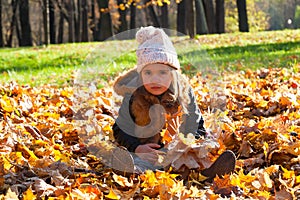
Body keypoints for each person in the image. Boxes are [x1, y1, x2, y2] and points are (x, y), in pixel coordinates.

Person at [111, 26, 236, 180]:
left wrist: (184, 145)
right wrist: (137, 147)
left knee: (200, 151)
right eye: (148, 73)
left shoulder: (183, 92)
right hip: (148, 151)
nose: (155, 79)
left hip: (180, 149)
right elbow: (120, 128)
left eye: (162, 72)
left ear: (173, 74)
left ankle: (208, 172)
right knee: (140, 162)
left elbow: (195, 123)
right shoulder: (133, 94)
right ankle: (132, 169)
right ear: (140, 74)